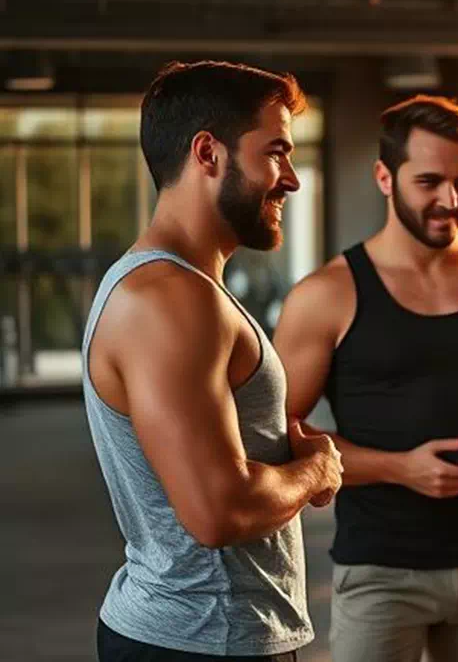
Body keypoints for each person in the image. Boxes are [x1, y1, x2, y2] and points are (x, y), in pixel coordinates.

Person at [272, 95, 458, 662]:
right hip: (382, 571)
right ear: (385, 177)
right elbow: (278, 432)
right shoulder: (326, 295)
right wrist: (399, 468)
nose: (450, 201)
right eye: (429, 181)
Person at [84, 60, 343, 661]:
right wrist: (316, 472)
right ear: (208, 153)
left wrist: (282, 448)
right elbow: (216, 511)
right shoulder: (173, 299)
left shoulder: (181, 287)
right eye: (275, 152)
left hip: (206, 634)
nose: (292, 179)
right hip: (204, 639)